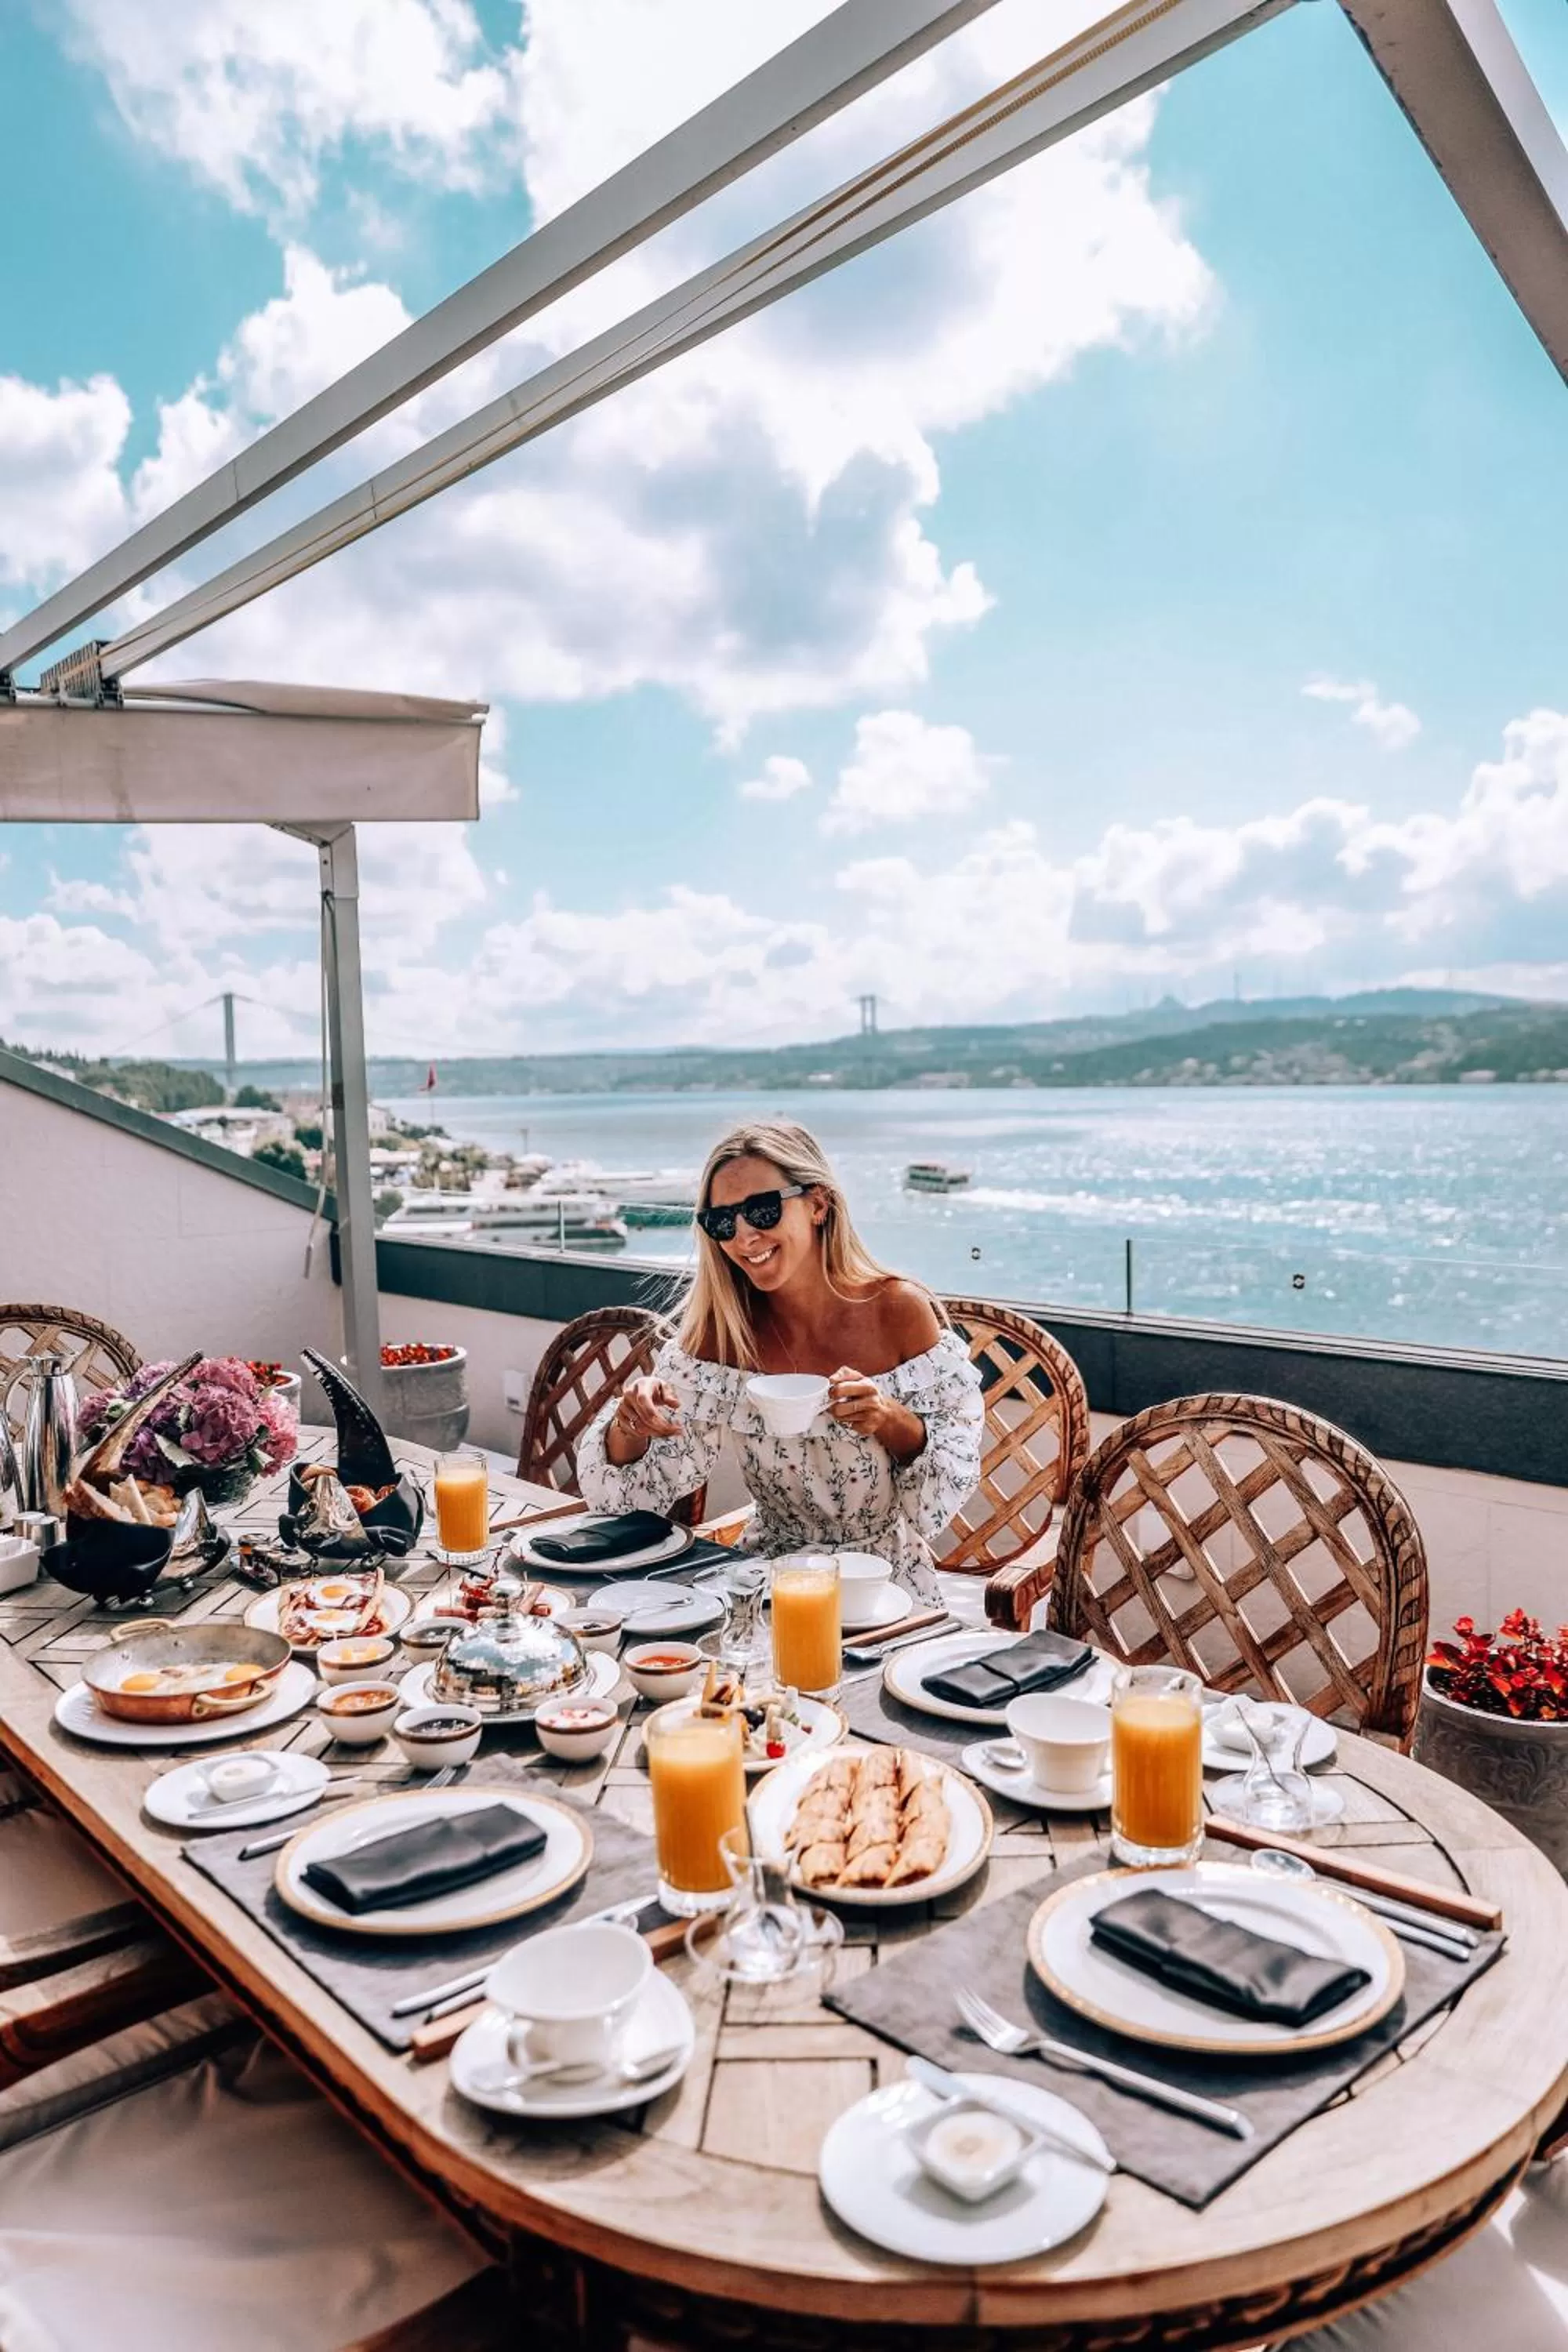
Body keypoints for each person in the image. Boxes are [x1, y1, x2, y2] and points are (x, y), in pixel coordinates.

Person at [576, 1120, 983, 1606]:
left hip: (882, 1587)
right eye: (723, 1222)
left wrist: (891, 1420)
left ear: (818, 1203)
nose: (745, 1237)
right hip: (765, 1579)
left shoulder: (899, 1311)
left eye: (762, 1210)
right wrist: (631, 1424)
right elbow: (624, 1504)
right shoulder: (722, 1333)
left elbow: (937, 1506)